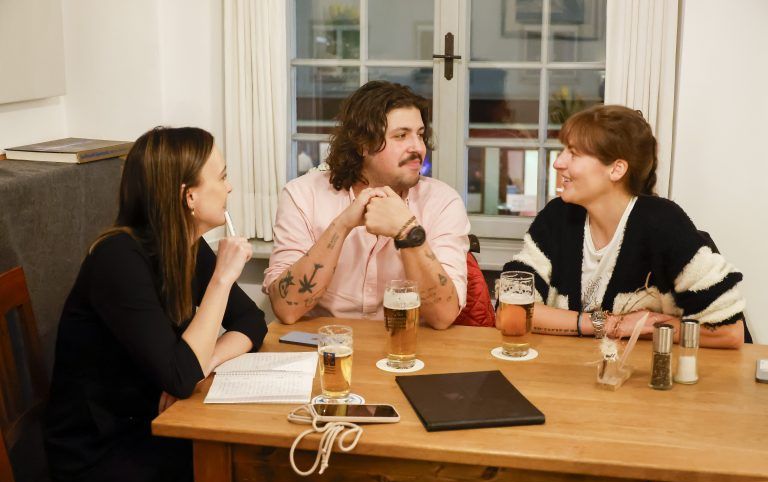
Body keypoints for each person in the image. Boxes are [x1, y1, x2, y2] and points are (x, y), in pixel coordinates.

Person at [44, 127, 267, 482]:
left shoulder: (185, 244)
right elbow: (180, 378)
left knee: (269, 470)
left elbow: (252, 322)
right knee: (254, 479)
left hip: (156, 425)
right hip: (103, 453)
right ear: (189, 196)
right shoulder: (117, 259)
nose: (229, 188)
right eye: (223, 176)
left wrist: (205, 360)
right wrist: (223, 279)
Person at [503, 105, 745, 348]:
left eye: (573, 154)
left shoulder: (662, 223)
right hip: (567, 375)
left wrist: (656, 329)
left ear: (616, 169)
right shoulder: (557, 217)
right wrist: (607, 324)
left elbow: (729, 331)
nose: (558, 163)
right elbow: (509, 313)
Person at [264, 81, 470, 329]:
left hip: (407, 349)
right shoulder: (302, 195)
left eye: (421, 135)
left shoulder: (443, 202)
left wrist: (407, 232)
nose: (418, 147)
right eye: (401, 136)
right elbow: (286, 309)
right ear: (363, 144)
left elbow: (443, 316)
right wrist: (341, 226)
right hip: (326, 348)